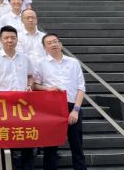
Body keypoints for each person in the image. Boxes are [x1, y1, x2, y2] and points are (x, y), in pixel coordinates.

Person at [34, 33, 87, 170]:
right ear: (44, 48)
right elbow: (35, 85)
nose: (53, 44)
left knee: (77, 145)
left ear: (60, 44)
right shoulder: (40, 63)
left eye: (55, 41)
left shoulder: (73, 62)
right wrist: (48, 88)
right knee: (50, 147)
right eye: (49, 43)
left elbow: (81, 87)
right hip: (52, 109)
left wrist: (76, 110)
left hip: (72, 107)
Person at [0, 26, 35, 170]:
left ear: (17, 39)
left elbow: (31, 76)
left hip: (23, 107)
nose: (10, 40)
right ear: (0, 40)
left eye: (13, 38)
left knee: (26, 141)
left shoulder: (25, 58)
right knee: (5, 141)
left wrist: (29, 86)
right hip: (4, 107)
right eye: (6, 38)